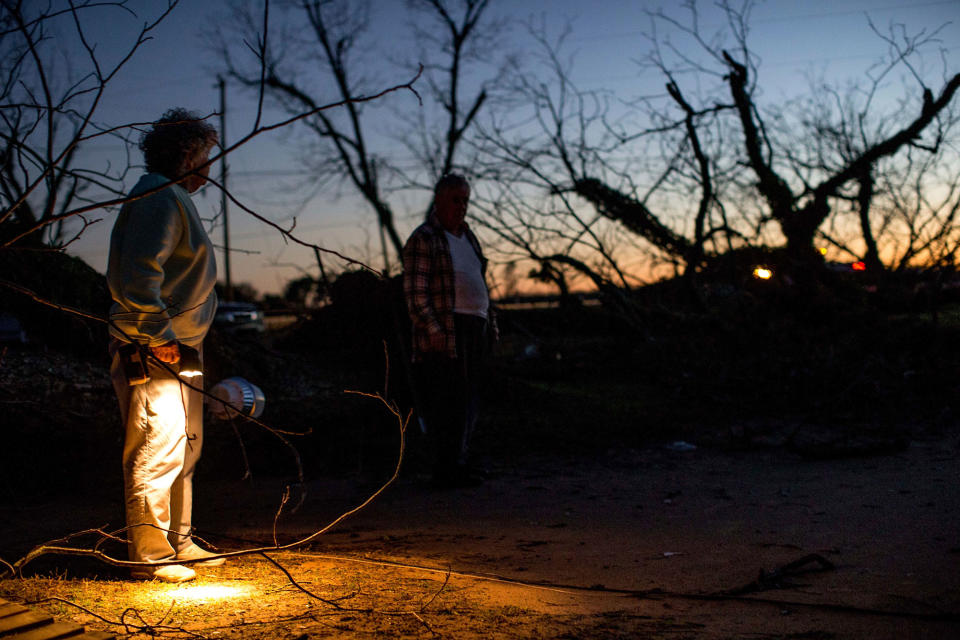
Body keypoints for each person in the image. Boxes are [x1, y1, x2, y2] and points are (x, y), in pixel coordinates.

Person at [107, 108, 223, 583]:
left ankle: (178, 539)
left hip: (178, 347)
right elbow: (136, 276)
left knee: (184, 446)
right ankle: (151, 553)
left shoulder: (168, 197)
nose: (210, 169)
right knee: (157, 445)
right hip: (155, 348)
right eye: (206, 156)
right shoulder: (158, 197)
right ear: (188, 153)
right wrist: (157, 336)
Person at [402, 173, 494, 488]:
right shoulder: (424, 237)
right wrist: (432, 327)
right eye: (455, 199)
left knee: (470, 398)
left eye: (465, 200)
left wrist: (490, 322)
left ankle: (459, 462)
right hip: (447, 329)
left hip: (474, 326)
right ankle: (445, 469)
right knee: (447, 400)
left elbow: (480, 281)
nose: (461, 206)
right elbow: (415, 291)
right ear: (439, 200)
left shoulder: (469, 238)